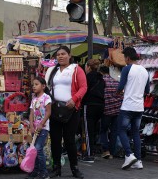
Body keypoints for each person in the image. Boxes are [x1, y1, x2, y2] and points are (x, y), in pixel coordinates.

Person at [45, 46, 87, 178]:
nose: (61, 56)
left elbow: (83, 87)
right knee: (55, 140)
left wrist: (74, 99)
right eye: (58, 55)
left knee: (69, 140)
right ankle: (56, 168)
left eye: (63, 54)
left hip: (71, 110)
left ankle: (74, 168)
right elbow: (47, 87)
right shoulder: (52, 70)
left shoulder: (76, 69)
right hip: (55, 109)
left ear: (69, 55)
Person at [117, 47, 149, 170]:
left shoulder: (127, 69)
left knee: (121, 130)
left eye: (124, 57)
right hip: (139, 107)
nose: (124, 60)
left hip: (127, 106)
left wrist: (118, 92)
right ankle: (138, 160)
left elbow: (120, 86)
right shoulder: (145, 71)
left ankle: (129, 155)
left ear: (128, 58)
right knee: (136, 133)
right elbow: (147, 91)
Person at [27, 77, 52, 179]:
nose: (34, 86)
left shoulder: (46, 98)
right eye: (33, 84)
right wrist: (31, 125)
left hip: (43, 128)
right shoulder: (34, 99)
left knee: (38, 148)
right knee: (34, 150)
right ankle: (36, 171)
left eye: (36, 84)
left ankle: (44, 172)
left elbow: (48, 112)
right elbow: (31, 114)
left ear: (43, 86)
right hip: (34, 129)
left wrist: (41, 124)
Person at [82, 59, 105, 163]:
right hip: (100, 106)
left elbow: (84, 91)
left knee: (88, 130)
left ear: (88, 67)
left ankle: (89, 154)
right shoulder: (101, 78)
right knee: (94, 130)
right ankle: (93, 151)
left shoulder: (87, 77)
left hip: (90, 105)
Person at [99, 65, 121, 159]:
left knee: (103, 130)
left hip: (106, 110)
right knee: (114, 131)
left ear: (101, 72)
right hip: (117, 110)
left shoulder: (102, 81)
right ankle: (112, 151)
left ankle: (106, 150)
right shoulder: (116, 80)